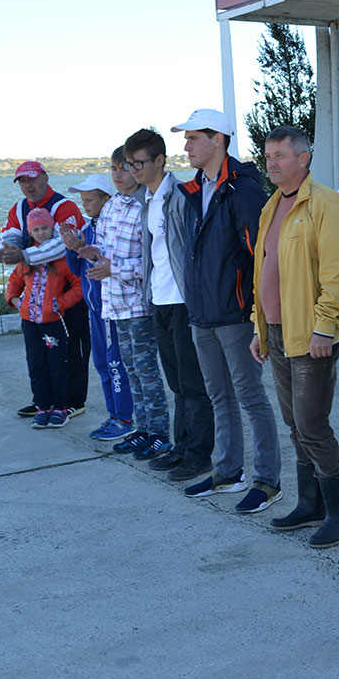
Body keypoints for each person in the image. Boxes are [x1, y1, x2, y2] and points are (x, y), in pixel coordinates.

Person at [249, 126, 339, 548]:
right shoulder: (272, 205)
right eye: (268, 156)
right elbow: (263, 272)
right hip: (276, 332)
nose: (271, 163)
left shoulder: (324, 203)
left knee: (312, 424)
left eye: (279, 155)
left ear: (303, 158)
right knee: (295, 423)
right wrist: (258, 326)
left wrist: (326, 328)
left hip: (310, 335)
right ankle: (310, 503)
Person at [173, 109, 283, 514]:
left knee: (251, 398)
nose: (186, 146)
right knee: (219, 396)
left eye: (193, 138)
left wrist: (258, 318)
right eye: (186, 138)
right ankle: (227, 472)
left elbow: (262, 258)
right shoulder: (194, 189)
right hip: (203, 315)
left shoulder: (243, 190)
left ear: (218, 139)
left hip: (236, 315)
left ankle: (267, 481)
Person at [124, 127, 215, 483]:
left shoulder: (179, 196)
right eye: (130, 164)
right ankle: (182, 446)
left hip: (182, 301)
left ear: (160, 160)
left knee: (193, 383)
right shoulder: (146, 200)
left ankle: (199, 454)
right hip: (159, 299)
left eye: (139, 163)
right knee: (176, 381)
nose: (134, 170)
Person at [76, 147, 172, 462]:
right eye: (114, 168)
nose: (118, 175)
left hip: (139, 304)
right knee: (131, 371)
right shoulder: (113, 206)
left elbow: (151, 260)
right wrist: (88, 251)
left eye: (125, 167)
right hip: (114, 303)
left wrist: (112, 268)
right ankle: (143, 429)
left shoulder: (146, 205)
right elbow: (104, 248)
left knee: (146, 371)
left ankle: (159, 434)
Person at [0, 160, 90, 420]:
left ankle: (74, 401)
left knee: (74, 347)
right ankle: (44, 401)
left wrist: (23, 255)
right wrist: (10, 251)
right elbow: (9, 236)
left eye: (33, 179)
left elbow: (62, 245)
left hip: (69, 286)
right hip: (40, 295)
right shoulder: (18, 208)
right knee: (40, 355)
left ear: (46, 178)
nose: (29, 185)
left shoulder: (65, 207)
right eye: (23, 181)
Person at [61, 174, 136, 441]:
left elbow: (110, 262)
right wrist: (73, 249)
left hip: (111, 308)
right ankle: (114, 415)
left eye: (90, 200)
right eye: (83, 200)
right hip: (94, 309)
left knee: (116, 364)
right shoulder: (87, 229)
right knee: (102, 363)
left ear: (106, 199)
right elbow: (76, 269)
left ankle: (124, 418)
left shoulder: (112, 228)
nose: (85, 205)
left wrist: (86, 250)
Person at [5, 208, 84, 429]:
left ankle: (60, 407)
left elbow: (78, 285)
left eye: (45, 228)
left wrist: (61, 303)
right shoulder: (26, 257)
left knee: (57, 365)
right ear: (30, 233)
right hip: (29, 322)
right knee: (36, 364)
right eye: (36, 229)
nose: (41, 233)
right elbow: (15, 281)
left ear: (52, 229)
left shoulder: (61, 258)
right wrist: (15, 300)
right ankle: (42, 406)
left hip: (53, 321)